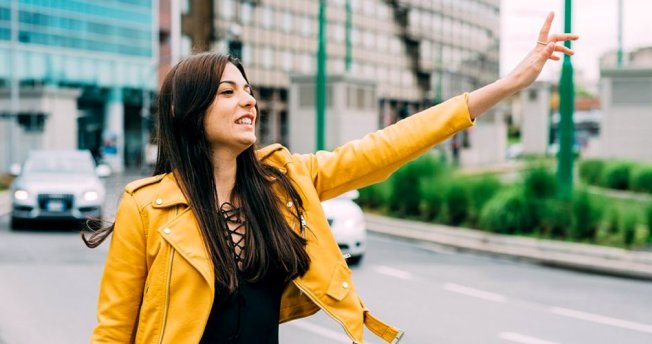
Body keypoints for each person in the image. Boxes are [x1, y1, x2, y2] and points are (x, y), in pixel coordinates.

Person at [83, 12, 577, 344]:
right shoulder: (146, 206)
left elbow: (390, 145)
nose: (249, 101)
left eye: (249, 91)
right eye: (228, 92)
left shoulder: (284, 182)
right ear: (190, 111)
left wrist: (509, 84)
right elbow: (112, 332)